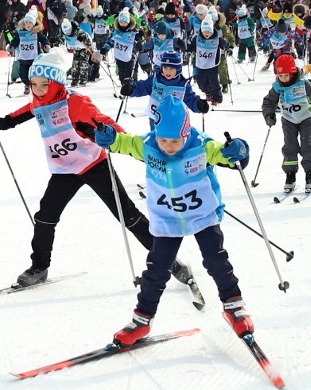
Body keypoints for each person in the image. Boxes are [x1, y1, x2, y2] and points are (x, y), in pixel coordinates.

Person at [0, 51, 198, 292]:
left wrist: (119, 138)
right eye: (34, 84)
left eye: (45, 84)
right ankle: (39, 267)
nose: (39, 89)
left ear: (56, 84)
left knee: (127, 215)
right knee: (44, 216)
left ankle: (169, 260)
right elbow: (24, 112)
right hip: (64, 170)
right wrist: (1, 122)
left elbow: (106, 123)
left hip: (94, 165)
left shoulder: (74, 102)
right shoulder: (39, 102)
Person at [95, 97, 254, 347]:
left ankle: (234, 306)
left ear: (186, 132)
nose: (169, 147)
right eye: (163, 140)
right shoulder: (148, 144)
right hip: (167, 216)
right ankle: (142, 320)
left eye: (175, 141)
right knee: (157, 269)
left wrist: (239, 150)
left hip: (202, 214)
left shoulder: (201, 145)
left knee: (216, 260)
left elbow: (228, 156)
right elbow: (123, 142)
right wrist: (110, 138)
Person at [261, 54, 311, 194]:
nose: (283, 79)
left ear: (292, 73)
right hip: (288, 120)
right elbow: (268, 102)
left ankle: (310, 174)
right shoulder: (277, 86)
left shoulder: (303, 84)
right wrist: (269, 115)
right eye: (280, 76)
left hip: (306, 118)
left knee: (307, 146)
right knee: (290, 147)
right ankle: (290, 175)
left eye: (286, 75)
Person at [123, 49, 208, 128]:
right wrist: (131, 88)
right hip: (156, 121)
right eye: (165, 68)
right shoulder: (155, 79)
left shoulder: (182, 85)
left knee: (173, 142)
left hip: (175, 122)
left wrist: (199, 105)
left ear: (178, 69)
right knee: (157, 142)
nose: (168, 71)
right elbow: (143, 87)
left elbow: (191, 100)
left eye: (171, 68)